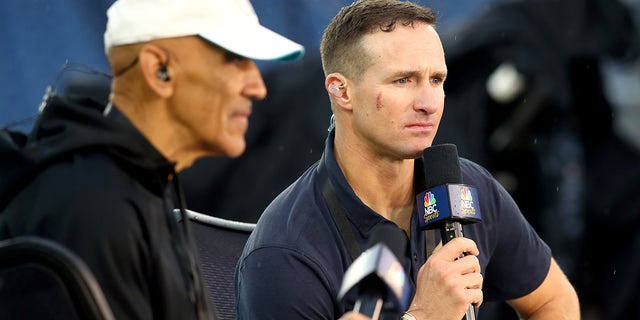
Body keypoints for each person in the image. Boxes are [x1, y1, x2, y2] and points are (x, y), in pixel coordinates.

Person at [235, 0, 580, 319]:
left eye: (436, 80)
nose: (429, 103)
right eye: (403, 80)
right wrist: (423, 315)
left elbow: (554, 300)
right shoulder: (285, 251)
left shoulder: (468, 188)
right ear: (341, 91)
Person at [0, 0, 304, 319]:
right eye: (235, 59)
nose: (258, 87)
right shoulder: (97, 208)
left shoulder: (133, 185)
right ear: (159, 70)